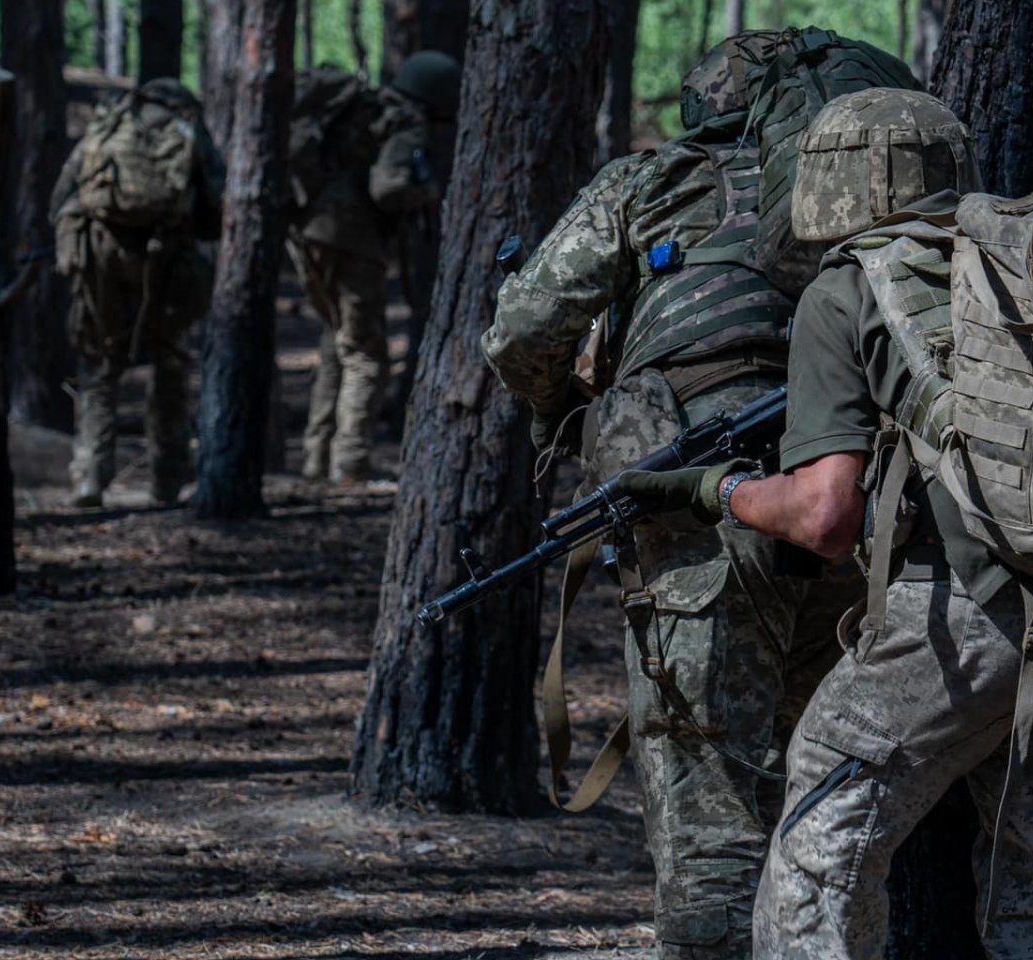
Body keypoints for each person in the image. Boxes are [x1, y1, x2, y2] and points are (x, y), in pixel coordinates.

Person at [616, 88, 1033, 959]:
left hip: (971, 622)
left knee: (820, 846)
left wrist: (717, 492)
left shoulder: (852, 284)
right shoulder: (1030, 265)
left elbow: (823, 515)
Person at [479, 32, 862, 960]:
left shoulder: (648, 183)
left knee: (710, 800)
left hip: (696, 511)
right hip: (854, 491)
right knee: (835, 789)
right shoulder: (865, 184)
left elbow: (523, 331)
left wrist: (563, 408)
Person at [287, 51, 460, 483]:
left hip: (308, 231)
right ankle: (350, 463)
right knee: (367, 355)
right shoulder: (405, 121)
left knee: (337, 343)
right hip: (351, 240)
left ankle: (316, 455)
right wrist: (426, 194)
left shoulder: (366, 108)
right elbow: (388, 188)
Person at [51, 78, 224, 508]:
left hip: (99, 249)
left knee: (100, 365)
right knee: (169, 364)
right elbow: (214, 207)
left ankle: (90, 474)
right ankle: (167, 480)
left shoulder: (111, 122)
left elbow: (63, 191)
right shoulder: (187, 128)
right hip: (165, 255)